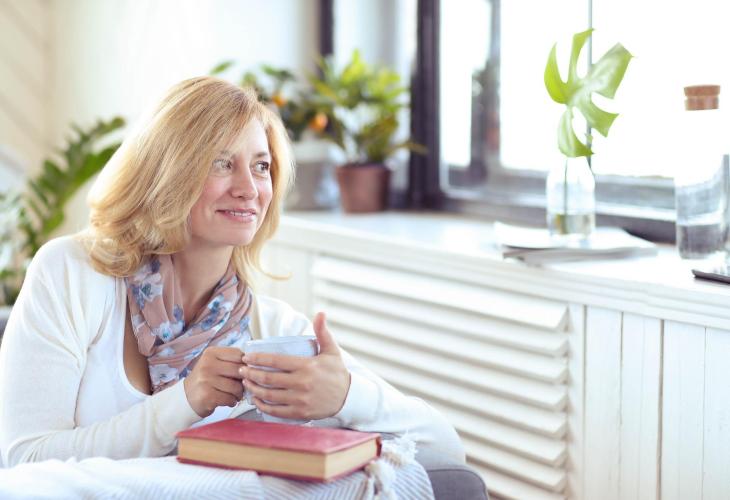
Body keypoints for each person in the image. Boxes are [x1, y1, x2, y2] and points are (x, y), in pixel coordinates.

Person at [0, 76, 464, 468]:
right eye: (221, 163)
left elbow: (446, 450)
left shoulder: (275, 330)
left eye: (261, 167)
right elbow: (23, 460)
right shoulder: (71, 274)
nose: (248, 188)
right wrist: (185, 400)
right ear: (167, 172)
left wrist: (346, 396)